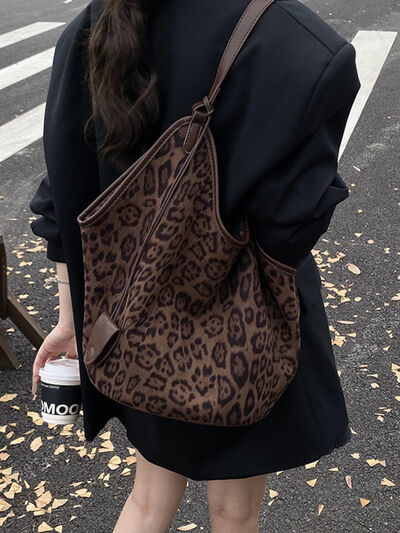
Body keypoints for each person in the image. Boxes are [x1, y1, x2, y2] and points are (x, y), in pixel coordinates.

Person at [29, 0, 361, 531]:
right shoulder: (296, 42)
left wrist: (71, 320)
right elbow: (294, 223)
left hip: (134, 325)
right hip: (248, 337)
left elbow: (63, 195)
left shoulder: (99, 24)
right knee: (235, 514)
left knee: (147, 501)